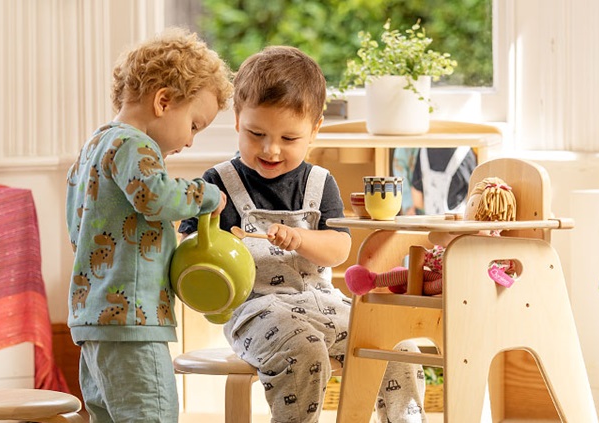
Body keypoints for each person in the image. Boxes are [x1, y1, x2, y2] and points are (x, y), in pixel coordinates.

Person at [179, 46, 427, 423]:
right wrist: (215, 240)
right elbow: (189, 251)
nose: (271, 149)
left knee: (398, 347)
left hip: (322, 303)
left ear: (315, 130)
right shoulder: (218, 183)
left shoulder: (319, 182)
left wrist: (302, 239)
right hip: (255, 310)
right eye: (256, 133)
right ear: (236, 120)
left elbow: (339, 248)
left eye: (289, 139)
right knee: (303, 351)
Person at [65, 27, 232, 423]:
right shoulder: (134, 145)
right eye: (194, 124)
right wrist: (207, 194)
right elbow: (155, 197)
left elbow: (79, 227)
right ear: (163, 101)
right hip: (132, 323)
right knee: (152, 414)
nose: (191, 141)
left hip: (92, 322)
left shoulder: (94, 147)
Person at [346, 177, 518, 296]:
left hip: (459, 280)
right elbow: (437, 238)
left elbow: (439, 238)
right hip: (448, 274)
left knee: (420, 281)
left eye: (473, 205)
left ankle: (377, 280)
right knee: (414, 276)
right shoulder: (473, 231)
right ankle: (378, 280)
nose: (469, 210)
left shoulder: (483, 236)